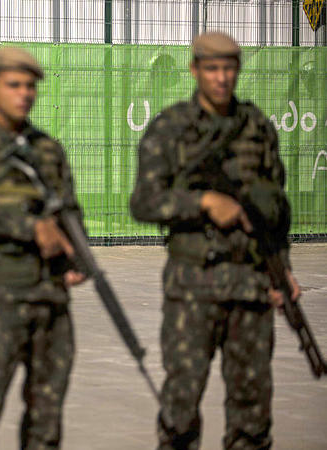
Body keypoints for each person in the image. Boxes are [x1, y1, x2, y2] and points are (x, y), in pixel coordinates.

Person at [130, 32, 301, 449]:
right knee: (181, 409)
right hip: (193, 288)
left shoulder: (257, 127)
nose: (222, 78)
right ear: (195, 70)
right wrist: (202, 201)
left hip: (251, 287)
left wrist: (283, 270)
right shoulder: (172, 128)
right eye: (212, 69)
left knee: (252, 414)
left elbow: (275, 208)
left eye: (229, 68)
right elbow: (144, 203)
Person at [0, 47, 87, 449]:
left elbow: (71, 212)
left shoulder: (47, 148)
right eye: (14, 85)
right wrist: (30, 227)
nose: (23, 94)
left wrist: (76, 255)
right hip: (1, 298)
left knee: (47, 413)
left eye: (30, 86)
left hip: (51, 298)